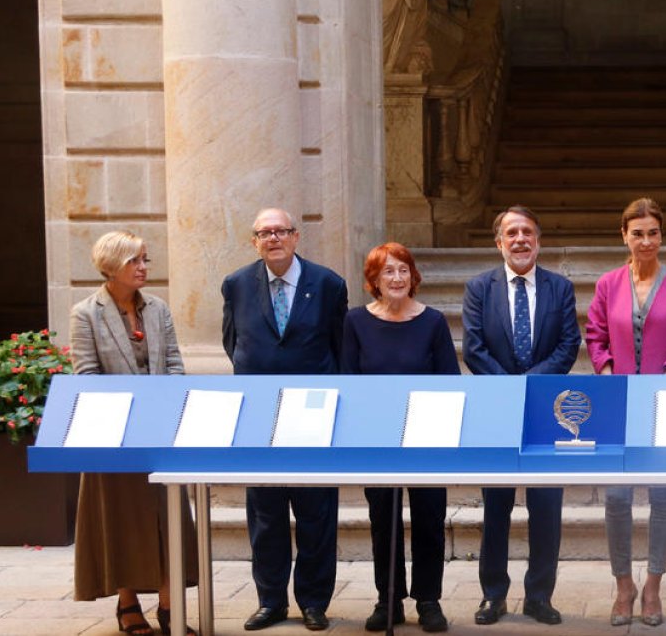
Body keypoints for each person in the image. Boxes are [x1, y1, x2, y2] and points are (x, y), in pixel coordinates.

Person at [222, 208, 347, 632]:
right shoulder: (237, 284)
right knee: (266, 513)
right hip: (260, 417)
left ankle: (313, 602)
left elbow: (338, 346)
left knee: (316, 512)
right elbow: (232, 342)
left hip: (313, 414)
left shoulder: (328, 284)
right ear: (254, 241)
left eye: (281, 231)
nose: (273, 238)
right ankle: (270, 601)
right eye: (264, 232)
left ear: (296, 237)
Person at [70, 230, 198, 636]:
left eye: (145, 259)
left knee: (167, 517)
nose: (144, 267)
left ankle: (169, 606)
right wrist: (133, 406)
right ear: (111, 267)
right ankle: (128, 605)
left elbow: (175, 363)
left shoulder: (158, 309)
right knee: (119, 520)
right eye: (135, 261)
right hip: (113, 436)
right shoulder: (86, 313)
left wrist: (164, 401)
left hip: (159, 431)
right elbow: (86, 375)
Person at [462, 206, 582, 626]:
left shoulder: (559, 288)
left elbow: (568, 345)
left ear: (538, 240)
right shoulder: (479, 287)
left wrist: (530, 384)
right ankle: (493, 595)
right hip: (497, 410)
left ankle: (539, 596)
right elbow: (473, 348)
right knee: (495, 508)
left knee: (546, 507)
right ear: (499, 242)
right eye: (511, 233)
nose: (520, 239)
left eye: (527, 232)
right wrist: (511, 388)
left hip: (548, 412)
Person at [586, 197, 666, 627]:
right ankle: (623, 586)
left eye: (653, 232)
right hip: (618, 403)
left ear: (661, 235)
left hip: (663, 402)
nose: (646, 240)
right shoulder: (607, 284)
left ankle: (652, 586)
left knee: (662, 495)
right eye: (637, 233)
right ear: (624, 235)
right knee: (617, 497)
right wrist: (609, 370)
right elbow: (595, 335)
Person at [341, 243, 457, 633]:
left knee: (429, 518)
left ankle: (428, 600)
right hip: (377, 439)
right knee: (383, 520)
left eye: (403, 270)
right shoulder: (355, 322)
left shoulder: (433, 322)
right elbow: (348, 381)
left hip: (427, 437)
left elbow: (449, 383)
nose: (396, 278)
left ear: (413, 276)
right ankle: (388, 598)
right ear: (373, 279)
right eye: (387, 271)